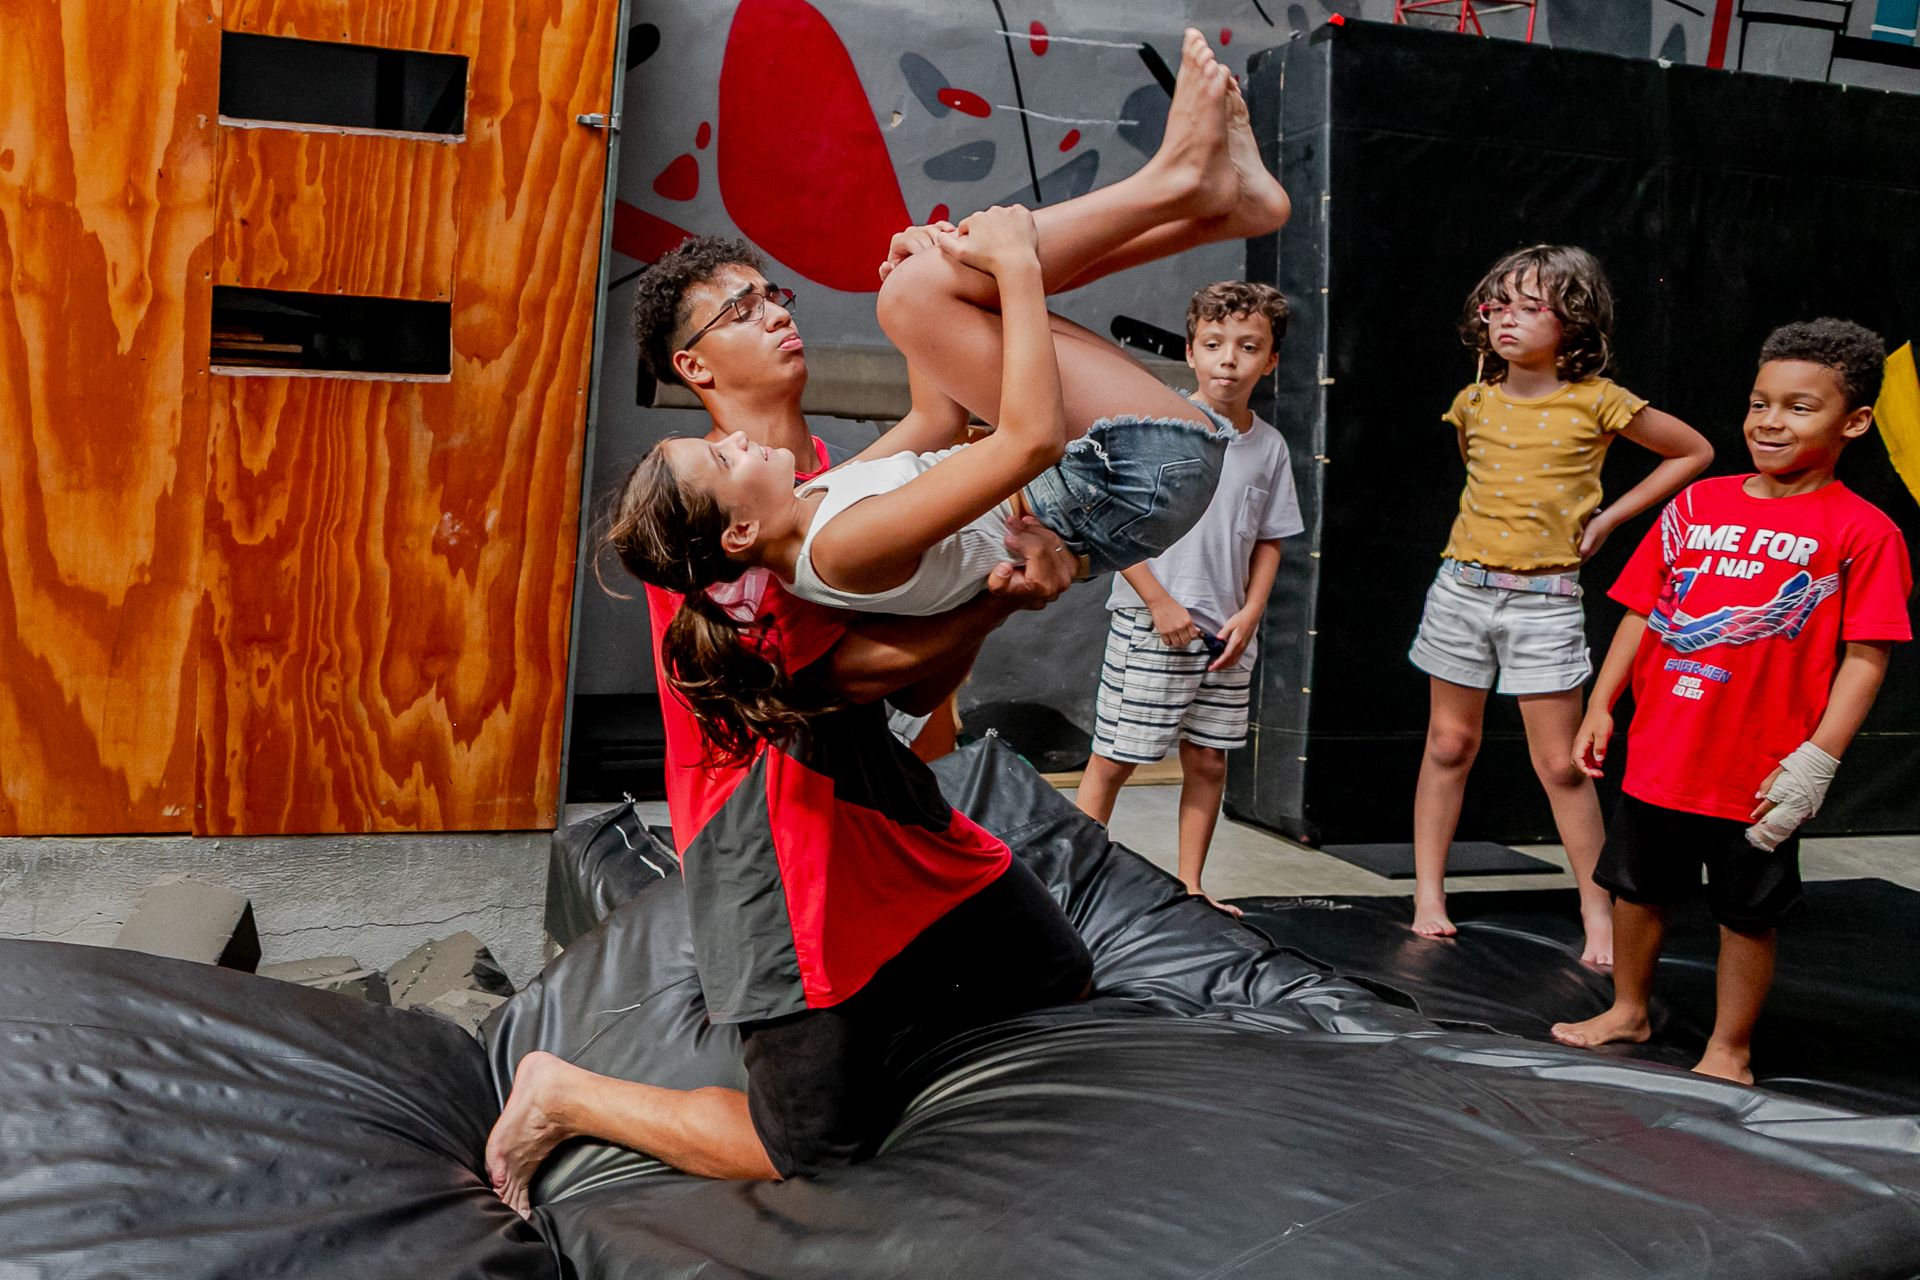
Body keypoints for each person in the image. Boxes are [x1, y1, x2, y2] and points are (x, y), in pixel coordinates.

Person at [486, 26, 1281, 1210]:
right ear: (698, 371)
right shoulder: (702, 508)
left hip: (866, 776)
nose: (778, 314)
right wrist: (991, 595)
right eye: (745, 311)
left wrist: (941, 276)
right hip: (774, 824)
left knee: (1052, 970)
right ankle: (561, 1088)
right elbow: (871, 675)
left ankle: (1194, 192)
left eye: (772, 293)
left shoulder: (802, 471)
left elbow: (932, 483)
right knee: (805, 1142)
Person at [609, 26, 1290, 627]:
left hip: (1126, 476)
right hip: (1127, 479)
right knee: (929, 291)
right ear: (741, 533)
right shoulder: (837, 549)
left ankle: (1215, 209)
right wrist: (1013, 270)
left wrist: (915, 294)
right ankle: (1177, 185)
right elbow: (1029, 442)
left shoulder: (812, 500)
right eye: (725, 460)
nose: (734, 445)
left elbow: (935, 421)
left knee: (922, 285)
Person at [1551, 319, 1911, 1084]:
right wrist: (1602, 703)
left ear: (1853, 422)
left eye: (1798, 407)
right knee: (1637, 889)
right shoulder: (1698, 504)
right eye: (1759, 403)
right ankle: (1628, 1009)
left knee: (1747, 912)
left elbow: (1866, 658)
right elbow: (1643, 610)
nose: (1769, 422)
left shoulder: (1865, 531)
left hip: (1759, 770)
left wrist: (1818, 759)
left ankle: (1730, 1047)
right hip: (1661, 751)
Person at [1407, 245, 1713, 964]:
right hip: (1461, 589)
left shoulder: (1598, 399)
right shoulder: (1472, 402)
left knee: (1562, 765)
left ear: (1573, 322)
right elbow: (1482, 486)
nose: (1506, 319)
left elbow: (1692, 451)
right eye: (1496, 306)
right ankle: (1428, 892)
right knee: (1449, 743)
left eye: (1528, 306)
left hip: (1543, 602)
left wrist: (1608, 519)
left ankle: (1596, 910)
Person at [1073, 282, 1304, 916]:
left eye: (1248, 346)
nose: (1229, 359)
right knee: (1115, 755)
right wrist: (1159, 604)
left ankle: (1192, 888)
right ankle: (1072, 887)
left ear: (1271, 360)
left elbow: (1269, 541)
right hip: (1153, 623)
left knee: (1207, 761)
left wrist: (1251, 613)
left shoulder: (1271, 448)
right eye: (1214, 344)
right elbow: (1112, 523)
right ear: (1192, 350)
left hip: (1226, 636)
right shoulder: (1159, 426)